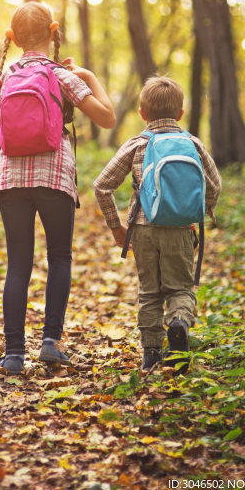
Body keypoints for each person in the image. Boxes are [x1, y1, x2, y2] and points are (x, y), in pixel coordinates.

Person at [0, 1, 116, 376]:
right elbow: (107, 118)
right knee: (60, 258)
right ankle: (51, 341)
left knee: (18, 263)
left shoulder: (3, 80)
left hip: (10, 180)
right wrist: (88, 76)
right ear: (54, 31)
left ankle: (14, 353)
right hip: (54, 175)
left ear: (12, 38)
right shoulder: (61, 75)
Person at [93, 76, 222, 372]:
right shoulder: (193, 144)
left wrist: (116, 226)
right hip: (181, 230)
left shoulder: (136, 144)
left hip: (143, 229)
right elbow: (214, 183)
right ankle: (178, 323)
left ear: (141, 113)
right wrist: (203, 211)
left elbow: (102, 186)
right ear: (180, 114)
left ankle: (151, 353)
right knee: (180, 288)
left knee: (150, 291)